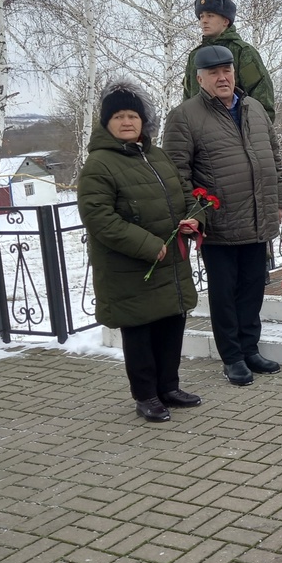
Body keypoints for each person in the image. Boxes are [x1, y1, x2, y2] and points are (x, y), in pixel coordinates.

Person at [78, 82, 202, 422]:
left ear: (143, 121)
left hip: (169, 262)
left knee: (170, 326)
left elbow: (183, 193)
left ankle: (169, 387)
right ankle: (146, 395)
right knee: (141, 333)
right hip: (132, 268)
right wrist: (149, 246)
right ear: (107, 123)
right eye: (118, 116)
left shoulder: (156, 155)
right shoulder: (99, 165)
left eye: (133, 115)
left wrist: (193, 218)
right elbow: (99, 218)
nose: (127, 121)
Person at [164, 45, 282, 387]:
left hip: (257, 217)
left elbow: (273, 159)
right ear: (199, 78)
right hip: (218, 223)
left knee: (252, 289)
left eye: (227, 70)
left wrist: (278, 200)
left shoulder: (254, 108)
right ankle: (232, 357)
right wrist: (195, 214)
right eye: (214, 73)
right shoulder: (185, 116)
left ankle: (250, 349)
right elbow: (177, 173)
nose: (223, 77)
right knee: (224, 293)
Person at [182, 0, 276, 121]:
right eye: (201, 16)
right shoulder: (195, 56)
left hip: (236, 132)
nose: (204, 21)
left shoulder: (242, 52)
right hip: (198, 132)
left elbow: (261, 96)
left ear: (225, 21)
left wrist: (257, 133)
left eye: (210, 16)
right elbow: (188, 97)